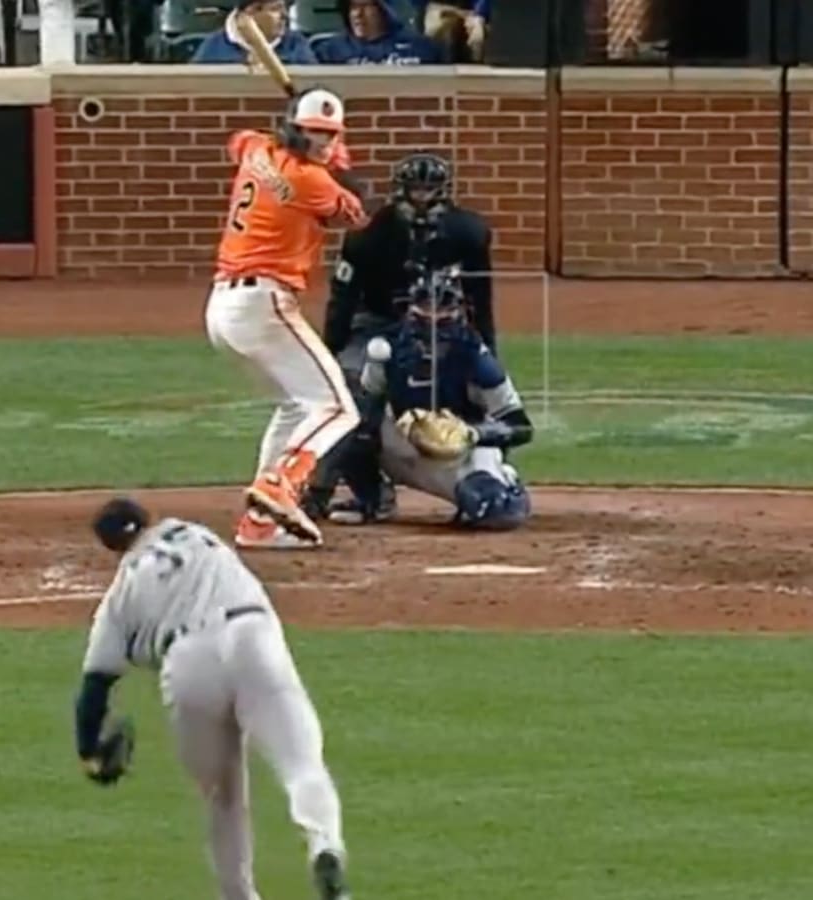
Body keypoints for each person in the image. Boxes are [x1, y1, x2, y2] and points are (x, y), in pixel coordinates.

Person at [74, 497, 352, 900]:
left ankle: (239, 895)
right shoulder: (197, 535)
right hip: (250, 635)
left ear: (112, 546)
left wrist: (89, 750)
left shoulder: (121, 593)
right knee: (302, 763)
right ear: (148, 520)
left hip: (187, 664)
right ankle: (324, 844)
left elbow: (95, 684)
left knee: (223, 798)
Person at [206, 86, 368, 551]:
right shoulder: (310, 181)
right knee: (338, 407)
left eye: (330, 134)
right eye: (314, 134)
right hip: (262, 302)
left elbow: (239, 141)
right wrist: (339, 168)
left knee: (299, 405)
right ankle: (283, 484)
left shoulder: (260, 148)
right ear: (296, 130)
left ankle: (261, 521)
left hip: (226, 306)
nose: (322, 141)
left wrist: (313, 152)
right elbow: (357, 215)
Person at [306, 151, 498, 524]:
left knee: (479, 397)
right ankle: (332, 491)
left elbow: (480, 298)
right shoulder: (367, 235)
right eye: (415, 191)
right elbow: (343, 299)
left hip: (439, 327)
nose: (422, 199)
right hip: (378, 323)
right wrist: (331, 351)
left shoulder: (469, 233)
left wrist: (487, 348)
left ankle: (487, 478)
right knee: (348, 395)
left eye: (429, 191)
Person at [347, 268, 533, 530]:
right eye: (425, 307)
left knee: (493, 510)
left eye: (442, 309)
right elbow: (367, 407)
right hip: (404, 444)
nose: (433, 316)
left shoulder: (476, 359)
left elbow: (521, 426)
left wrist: (471, 433)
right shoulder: (385, 350)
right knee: (346, 425)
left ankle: (503, 484)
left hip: (459, 455)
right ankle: (375, 500)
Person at [313, 0, 444, 64]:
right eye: (353, 7)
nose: (357, 14)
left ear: (385, 10)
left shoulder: (420, 48)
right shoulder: (329, 51)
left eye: (365, 6)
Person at [192, 0, 319, 64]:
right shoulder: (213, 47)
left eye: (285, 8)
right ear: (251, 12)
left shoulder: (296, 44)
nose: (285, 16)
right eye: (276, 9)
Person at [414, 0, 489, 61]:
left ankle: (476, 71)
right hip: (436, 9)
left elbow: (481, 7)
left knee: (477, 35)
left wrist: (478, 14)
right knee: (435, 29)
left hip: (470, 12)